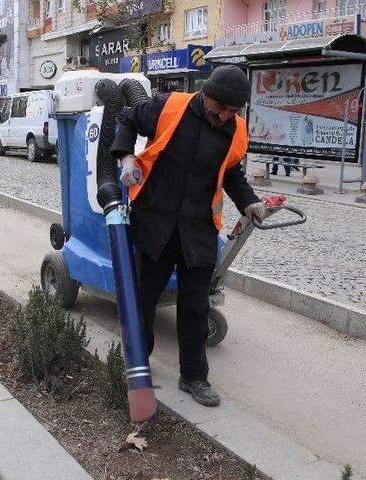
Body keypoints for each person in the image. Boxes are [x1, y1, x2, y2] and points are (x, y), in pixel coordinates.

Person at [111, 65, 264, 407]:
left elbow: (232, 173)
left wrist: (250, 203)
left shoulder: (235, 129)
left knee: (195, 306)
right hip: (155, 221)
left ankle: (194, 376)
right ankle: (137, 365)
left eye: (232, 111)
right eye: (219, 107)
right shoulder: (169, 106)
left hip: (198, 229)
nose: (223, 116)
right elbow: (125, 117)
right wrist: (125, 158)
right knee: (143, 300)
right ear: (206, 93)